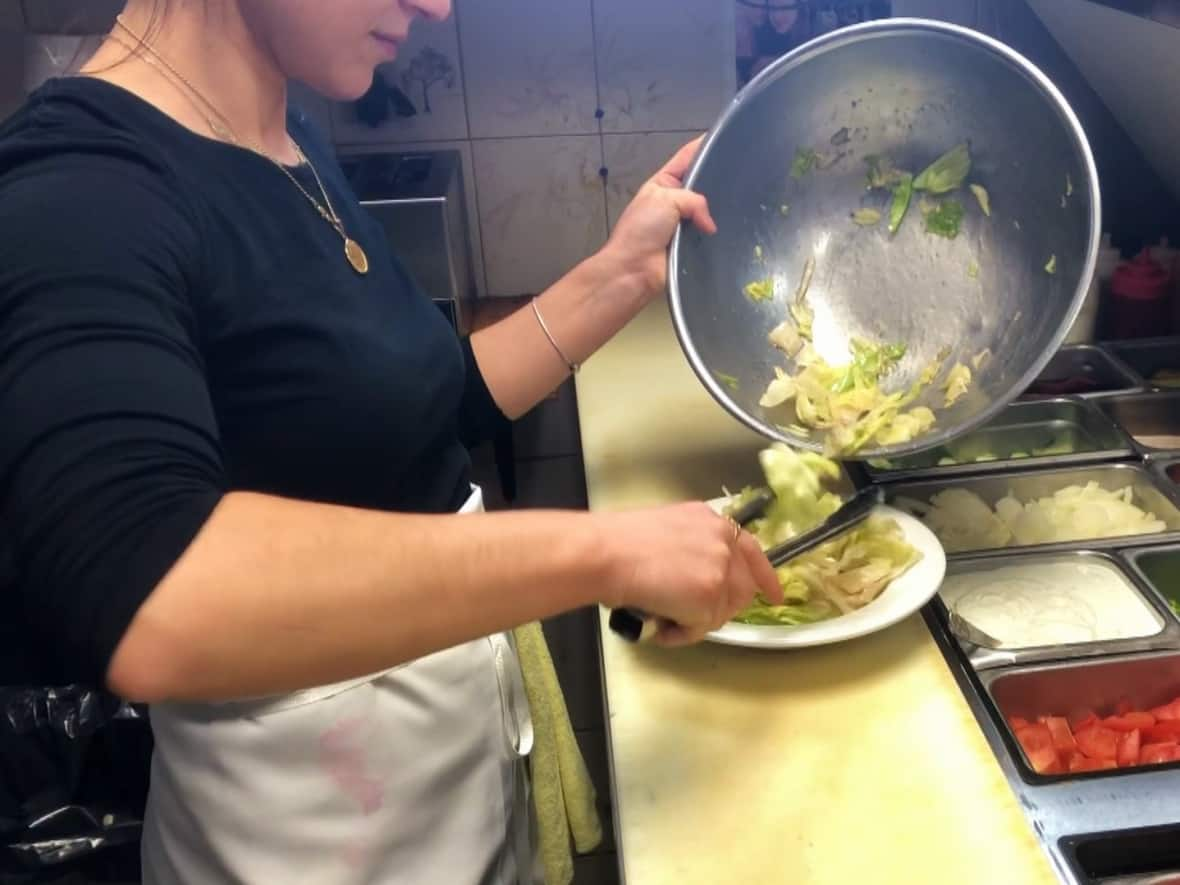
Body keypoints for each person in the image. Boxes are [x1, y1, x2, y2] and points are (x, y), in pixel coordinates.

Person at [0, 0, 783, 881]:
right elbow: (154, 598)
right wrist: (603, 549)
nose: (436, 6)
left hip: (441, 799)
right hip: (315, 842)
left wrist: (622, 273)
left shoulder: (280, 129)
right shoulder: (81, 186)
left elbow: (415, 416)